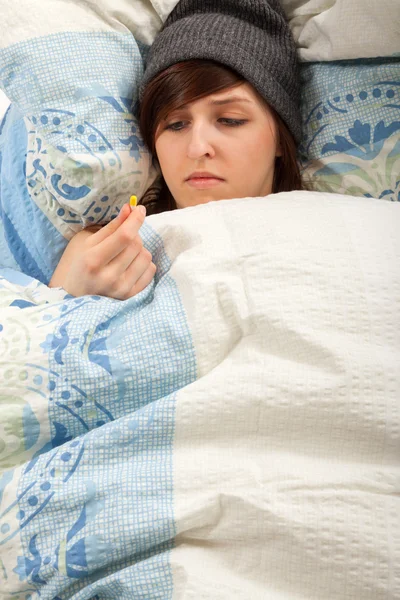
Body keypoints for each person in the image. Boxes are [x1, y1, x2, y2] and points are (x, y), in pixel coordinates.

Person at [49, 0, 304, 300]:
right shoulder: (97, 253)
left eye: (230, 120)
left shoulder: (331, 232)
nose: (197, 148)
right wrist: (75, 297)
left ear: (280, 138)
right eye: (175, 124)